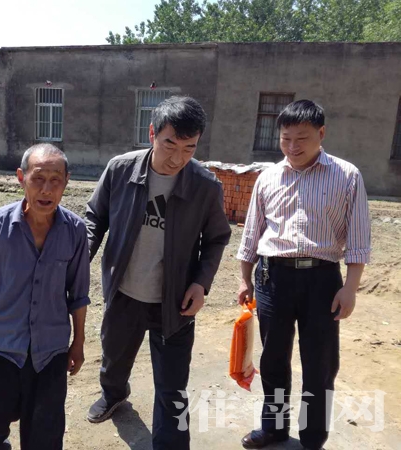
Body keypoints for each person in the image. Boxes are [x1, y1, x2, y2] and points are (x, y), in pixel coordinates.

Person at [85, 96, 232, 449]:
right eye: (169, 144)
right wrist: (75, 264)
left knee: (172, 385)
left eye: (189, 148)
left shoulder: (205, 186)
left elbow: (216, 239)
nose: (177, 158)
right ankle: (114, 394)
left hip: (176, 301)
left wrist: (201, 283)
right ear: (152, 133)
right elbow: (94, 219)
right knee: (114, 358)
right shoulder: (121, 170)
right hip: (124, 292)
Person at [236, 100, 371, 450]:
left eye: (302, 138)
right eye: (286, 139)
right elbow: (251, 233)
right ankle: (274, 428)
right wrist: (245, 279)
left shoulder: (346, 176)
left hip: (322, 281)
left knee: (320, 364)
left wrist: (350, 288)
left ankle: (313, 438)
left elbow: (358, 239)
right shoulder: (268, 177)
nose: (292, 147)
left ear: (321, 134)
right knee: (273, 358)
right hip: (273, 279)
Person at [0, 143, 90, 450]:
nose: (47, 190)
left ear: (66, 182)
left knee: (45, 437)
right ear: (21, 178)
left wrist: (78, 342)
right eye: (38, 179)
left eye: (55, 180)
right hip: (2, 349)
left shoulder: (75, 231)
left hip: (51, 351)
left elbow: (78, 294)